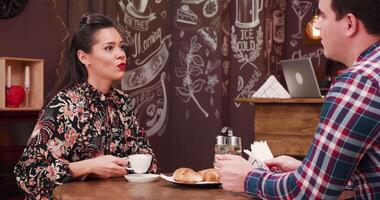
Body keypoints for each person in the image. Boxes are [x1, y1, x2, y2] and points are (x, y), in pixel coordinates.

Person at [215, 0, 380, 199]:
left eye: (323, 16)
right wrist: (308, 170)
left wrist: (247, 177)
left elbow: (308, 193)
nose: (317, 25)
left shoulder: (359, 83)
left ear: (349, 24)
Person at [14, 13, 157, 199]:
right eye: (109, 48)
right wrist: (89, 166)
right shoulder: (65, 105)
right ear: (84, 57)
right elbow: (27, 174)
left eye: (121, 47)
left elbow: (148, 160)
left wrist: (124, 165)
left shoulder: (122, 102)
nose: (121, 54)